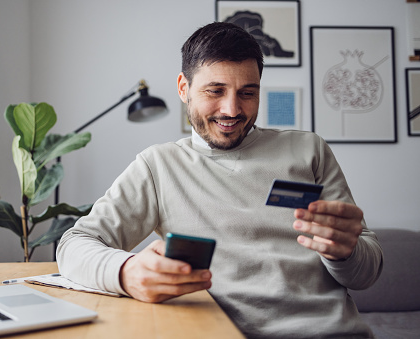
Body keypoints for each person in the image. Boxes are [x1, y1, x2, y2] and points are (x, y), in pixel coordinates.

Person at [57, 22, 383, 338]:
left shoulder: (309, 150)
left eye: (248, 93)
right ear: (184, 88)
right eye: (215, 91)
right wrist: (125, 272)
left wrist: (344, 252)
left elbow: (365, 273)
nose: (231, 110)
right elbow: (74, 245)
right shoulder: (158, 165)